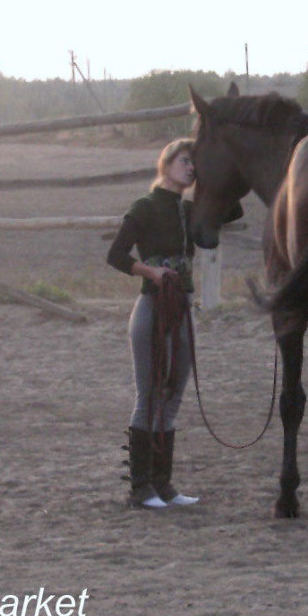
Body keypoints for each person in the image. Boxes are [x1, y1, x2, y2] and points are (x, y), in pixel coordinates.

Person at [108, 138, 240, 508]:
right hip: (152, 305)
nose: (191, 168)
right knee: (149, 394)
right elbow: (115, 254)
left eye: (195, 163)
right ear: (165, 164)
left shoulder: (191, 210)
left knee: (173, 392)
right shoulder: (145, 207)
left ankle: (163, 484)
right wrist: (151, 271)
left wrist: (218, 173)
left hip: (182, 307)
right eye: (186, 161)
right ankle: (140, 487)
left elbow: (233, 211)